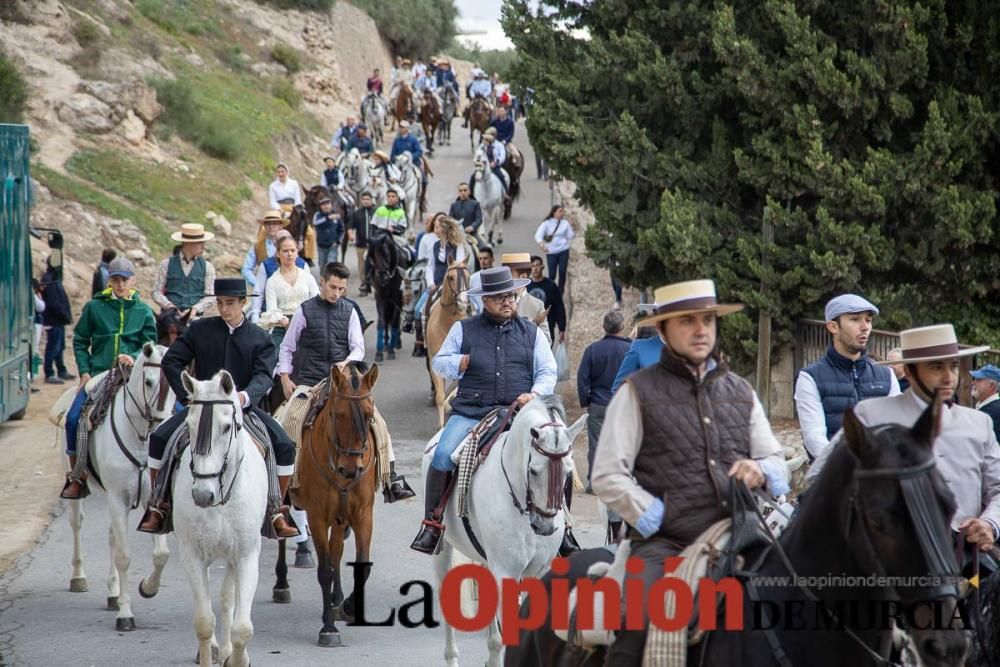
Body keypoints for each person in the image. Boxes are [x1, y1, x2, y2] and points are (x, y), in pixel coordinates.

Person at [592, 279, 790, 665]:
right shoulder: (636, 391)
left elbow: (777, 460)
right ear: (664, 329)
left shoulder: (740, 391)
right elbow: (606, 475)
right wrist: (658, 516)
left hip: (743, 535)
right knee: (635, 625)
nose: (701, 330)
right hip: (667, 543)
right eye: (687, 321)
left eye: (708, 320)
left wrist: (761, 469)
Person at [806, 324, 1000, 555]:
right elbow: (819, 477)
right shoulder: (871, 415)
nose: (949, 377)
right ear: (909, 371)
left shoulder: (979, 424)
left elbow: (998, 488)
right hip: (885, 564)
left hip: (964, 560)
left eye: (954, 366)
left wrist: (989, 523)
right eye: (937, 367)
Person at [410, 267, 559, 555]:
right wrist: (459, 362)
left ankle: (564, 526)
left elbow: (547, 370)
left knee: (558, 454)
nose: (508, 302)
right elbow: (439, 363)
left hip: (517, 412)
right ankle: (432, 524)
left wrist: (536, 393)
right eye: (500, 297)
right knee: (441, 455)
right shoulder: (463, 329)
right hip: (471, 412)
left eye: (511, 296)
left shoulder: (531, 333)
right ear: (485, 301)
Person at [137, 278, 300, 539]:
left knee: (283, 445)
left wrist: (244, 397)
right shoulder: (199, 329)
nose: (224, 309)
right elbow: (172, 362)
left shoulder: (261, 338)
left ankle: (277, 509)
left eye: (231, 303)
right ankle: (158, 505)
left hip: (243, 409)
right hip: (201, 407)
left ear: (243, 304)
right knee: (159, 439)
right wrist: (189, 395)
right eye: (220, 303)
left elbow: (263, 377)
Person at [277, 262, 414, 503]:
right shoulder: (304, 311)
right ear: (322, 283)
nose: (336, 293)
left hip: (344, 384)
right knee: (289, 420)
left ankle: (390, 478)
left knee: (378, 422)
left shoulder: (349, 310)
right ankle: (286, 485)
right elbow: (287, 347)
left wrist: (346, 363)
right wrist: (286, 377)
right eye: (332, 287)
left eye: (341, 289)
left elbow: (358, 348)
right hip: (309, 381)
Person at [60, 258, 157, 499]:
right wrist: (84, 371)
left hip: (133, 376)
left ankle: (163, 478)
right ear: (109, 281)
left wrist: (134, 356)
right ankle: (78, 475)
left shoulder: (143, 311)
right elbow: (81, 340)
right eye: (116, 279)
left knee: (167, 414)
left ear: (133, 280)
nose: (121, 284)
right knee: (74, 419)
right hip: (100, 374)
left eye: (125, 279)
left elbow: (150, 345)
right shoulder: (94, 307)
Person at [794, 294, 899, 460]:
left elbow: (897, 429)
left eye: (869, 320)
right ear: (833, 326)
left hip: (881, 476)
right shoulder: (810, 378)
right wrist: (852, 467)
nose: (865, 327)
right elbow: (814, 439)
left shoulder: (887, 375)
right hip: (836, 476)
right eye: (855, 319)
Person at [577, 310, 631, 491]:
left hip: (599, 404)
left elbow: (582, 379)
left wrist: (586, 402)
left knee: (596, 444)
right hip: (624, 405)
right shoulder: (630, 349)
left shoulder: (592, 350)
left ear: (603, 327)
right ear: (622, 327)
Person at [413, 216, 467, 357]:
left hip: (455, 284)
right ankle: (425, 342)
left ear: (445, 229)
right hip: (437, 284)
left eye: (438, 227)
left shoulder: (458, 245)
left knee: (475, 308)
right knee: (420, 309)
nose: (436, 230)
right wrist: (430, 283)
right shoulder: (436, 246)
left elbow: (460, 265)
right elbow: (430, 266)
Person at [261, 235, 320, 347]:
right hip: (282, 326)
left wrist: (306, 321)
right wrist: (286, 322)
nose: (290, 254)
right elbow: (272, 309)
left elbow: (317, 301)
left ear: (297, 252)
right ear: (278, 253)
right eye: (285, 251)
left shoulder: (307, 277)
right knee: (275, 356)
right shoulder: (272, 281)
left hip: (306, 324)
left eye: (293, 250)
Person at [152, 223, 217, 317]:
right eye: (200, 243)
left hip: (194, 319)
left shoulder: (208, 267)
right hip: (169, 318)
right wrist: (169, 306)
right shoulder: (165, 264)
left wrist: (195, 309)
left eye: (203, 242)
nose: (203, 247)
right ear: (187, 243)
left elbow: (211, 296)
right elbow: (156, 292)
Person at [40, 256, 74, 384]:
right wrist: (64, 314)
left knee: (59, 347)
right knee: (53, 347)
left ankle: (61, 370)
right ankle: (49, 373)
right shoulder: (49, 280)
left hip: (58, 320)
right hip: (54, 320)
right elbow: (53, 303)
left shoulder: (53, 279)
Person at [242, 210, 290, 288]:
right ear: (264, 226)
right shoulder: (257, 247)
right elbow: (246, 270)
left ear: (280, 226)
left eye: (274, 223)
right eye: (268, 223)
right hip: (264, 293)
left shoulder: (289, 245)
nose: (271, 226)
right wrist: (258, 284)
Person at [534, 205, 575, 293]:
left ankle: (561, 291)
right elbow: (538, 235)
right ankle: (551, 290)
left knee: (562, 271)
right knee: (552, 274)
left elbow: (571, 236)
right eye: (560, 211)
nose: (562, 213)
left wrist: (571, 226)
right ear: (554, 213)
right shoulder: (547, 223)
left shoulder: (565, 223)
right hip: (551, 251)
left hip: (563, 250)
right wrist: (542, 245)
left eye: (562, 211)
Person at [527, 255, 567, 343]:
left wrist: (561, 328)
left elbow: (559, 306)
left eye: (537, 265)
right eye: (532, 266)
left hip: (547, 326)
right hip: (529, 327)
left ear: (543, 267)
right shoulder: (526, 286)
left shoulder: (551, 286)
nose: (535, 269)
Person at [349, 192, 376, 295]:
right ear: (361, 201)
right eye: (364, 199)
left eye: (367, 199)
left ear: (371, 200)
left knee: (377, 264)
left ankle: (375, 285)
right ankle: (364, 284)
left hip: (375, 245)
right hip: (361, 244)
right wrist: (351, 234)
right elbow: (350, 226)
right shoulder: (357, 213)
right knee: (362, 266)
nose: (365, 201)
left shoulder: (376, 212)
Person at [312, 194, 345, 270]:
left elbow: (342, 230)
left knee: (331, 265)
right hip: (321, 246)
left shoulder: (336, 215)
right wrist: (327, 218)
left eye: (328, 204)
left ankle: (331, 281)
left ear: (331, 205)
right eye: (323, 205)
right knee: (322, 265)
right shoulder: (318, 215)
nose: (326, 206)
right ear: (320, 206)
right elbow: (315, 223)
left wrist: (338, 241)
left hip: (333, 245)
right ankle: (323, 281)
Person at [971, 364, 1000, 440]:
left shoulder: (991, 412)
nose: (973, 383)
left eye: (979, 380)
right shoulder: (987, 407)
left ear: (991, 385)